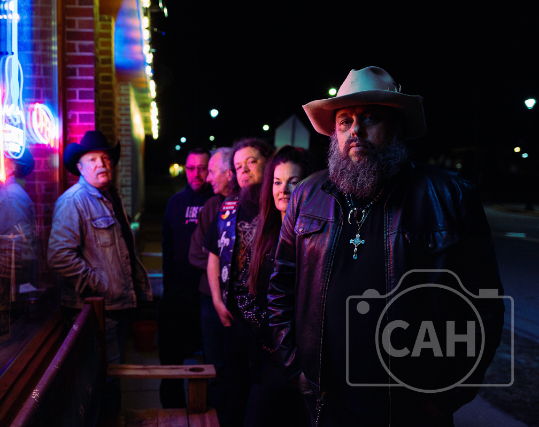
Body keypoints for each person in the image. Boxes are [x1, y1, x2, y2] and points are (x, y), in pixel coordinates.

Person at [267, 66, 505, 427]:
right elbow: (281, 288)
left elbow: (483, 301)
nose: (355, 131)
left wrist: (449, 394)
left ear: (396, 127)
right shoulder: (307, 195)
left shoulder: (450, 196)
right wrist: (295, 368)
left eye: (370, 118)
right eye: (345, 121)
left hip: (414, 408)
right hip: (329, 400)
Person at [48, 130, 152, 414]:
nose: (101, 164)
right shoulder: (74, 201)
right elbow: (59, 256)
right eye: (92, 159)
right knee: (102, 383)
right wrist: (100, 285)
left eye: (105, 158)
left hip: (116, 308)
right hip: (96, 312)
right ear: (79, 167)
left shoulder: (110, 197)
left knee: (112, 379)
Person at [239, 145, 313, 427]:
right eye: (277, 182)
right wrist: (268, 329)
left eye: (293, 182)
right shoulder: (265, 234)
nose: (283, 190)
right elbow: (244, 291)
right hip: (270, 359)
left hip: (307, 362)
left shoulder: (317, 237)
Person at [204, 137, 274, 427]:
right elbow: (213, 255)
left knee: (266, 396)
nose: (244, 170)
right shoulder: (229, 207)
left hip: (271, 322)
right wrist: (217, 301)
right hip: (234, 318)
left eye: (251, 162)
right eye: (238, 165)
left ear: (268, 162)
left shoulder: (280, 203)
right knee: (234, 389)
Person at [160, 147, 214, 408]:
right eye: (191, 168)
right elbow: (167, 246)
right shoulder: (175, 203)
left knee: (210, 357)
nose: (196, 174)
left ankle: (208, 410)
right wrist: (168, 285)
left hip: (208, 293)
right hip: (177, 291)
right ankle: (172, 411)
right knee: (170, 357)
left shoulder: (218, 201)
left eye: (202, 168)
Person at [188, 147, 234, 416]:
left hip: (239, 300)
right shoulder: (212, 207)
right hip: (209, 298)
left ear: (230, 173)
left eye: (211, 171)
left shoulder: (253, 205)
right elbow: (195, 253)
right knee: (215, 364)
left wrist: (218, 258)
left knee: (238, 366)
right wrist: (225, 262)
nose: (206, 178)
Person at [0, 151, 36, 339]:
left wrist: (4, 298)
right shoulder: (10, 195)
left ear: (11, 166)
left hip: (9, 298)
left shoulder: (10, 198)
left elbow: (14, 255)